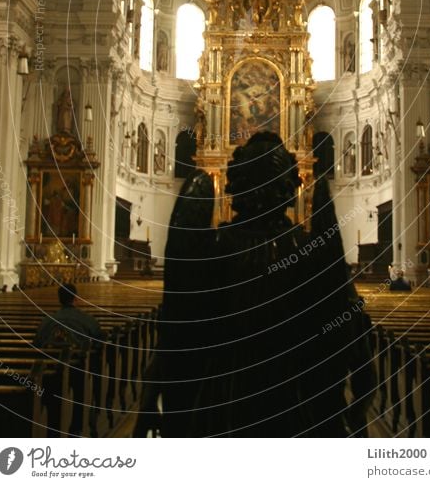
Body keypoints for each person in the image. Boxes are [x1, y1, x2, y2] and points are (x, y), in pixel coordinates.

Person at [147, 132, 375, 438]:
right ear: (291, 187)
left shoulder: (209, 251)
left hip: (220, 407)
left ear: (234, 186)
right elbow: (353, 342)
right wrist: (354, 414)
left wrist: (154, 407)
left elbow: (176, 337)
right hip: (296, 405)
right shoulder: (316, 252)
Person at [33, 284, 103, 348]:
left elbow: (37, 343)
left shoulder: (46, 321)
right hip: (80, 360)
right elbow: (98, 343)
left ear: (60, 300)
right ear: (75, 298)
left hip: (50, 360)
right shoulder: (88, 320)